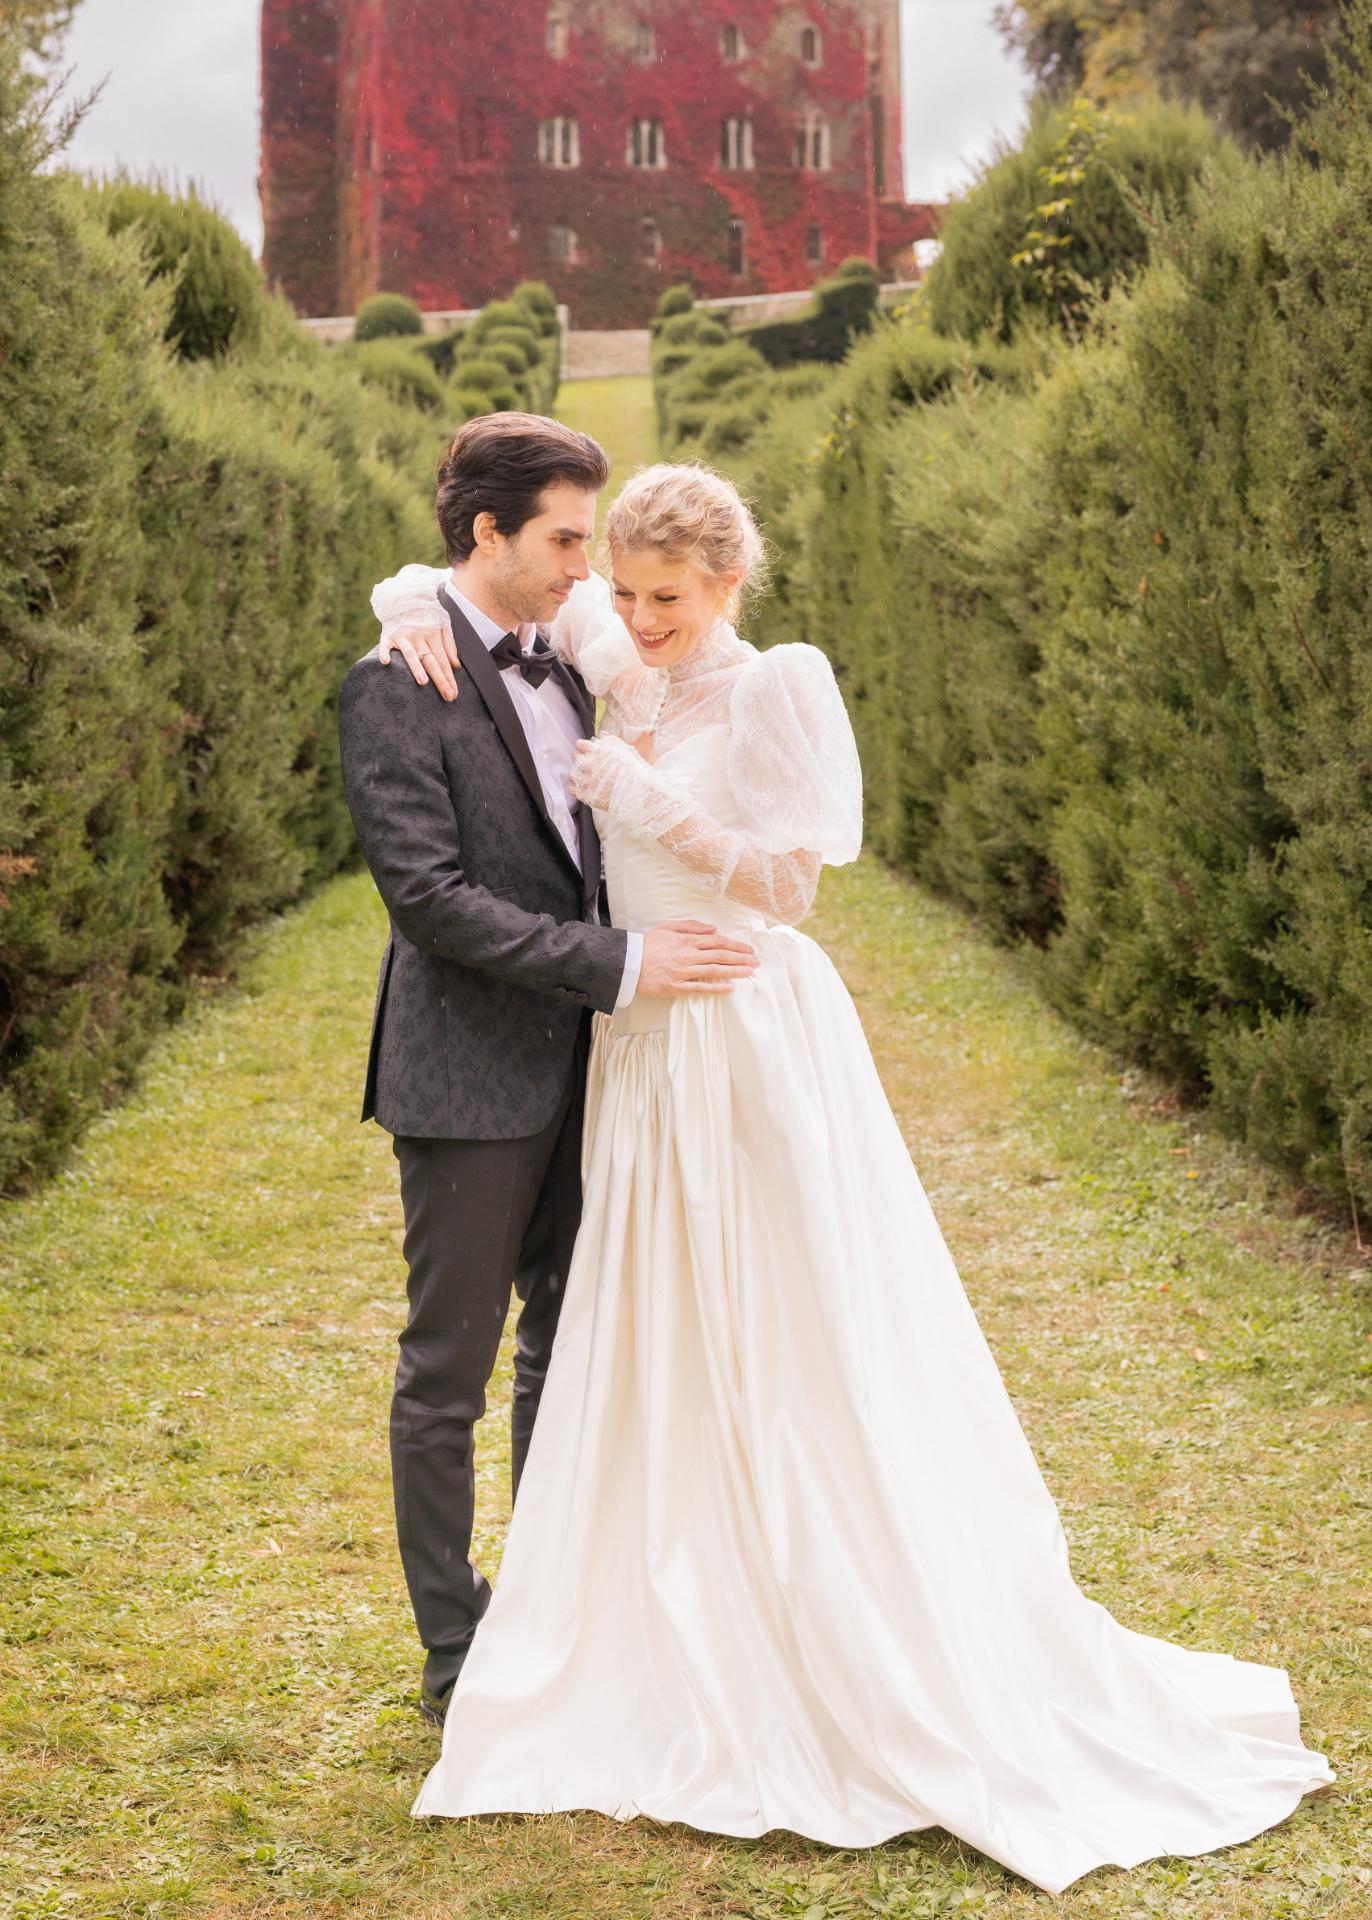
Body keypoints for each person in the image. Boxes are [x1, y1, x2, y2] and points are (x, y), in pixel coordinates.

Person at [368, 460, 1332, 1893]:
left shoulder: (774, 684)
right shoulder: (607, 643)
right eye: (624, 595)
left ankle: (823, 1614)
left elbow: (795, 882)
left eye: (671, 602)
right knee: (642, 1343)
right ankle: (640, 1609)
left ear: (730, 585)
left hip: (745, 1038)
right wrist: (402, 604)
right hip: (639, 1055)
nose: (642, 623)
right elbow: (463, 580)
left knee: (783, 1336)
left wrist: (648, 799)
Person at [337, 416, 759, 1728]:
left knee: (569, 1352)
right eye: (567, 538)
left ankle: (553, 1611)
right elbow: (430, 900)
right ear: (486, 535)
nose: (591, 565)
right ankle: (457, 1654)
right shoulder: (395, 681)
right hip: (467, 1082)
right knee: (447, 1368)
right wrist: (623, 964)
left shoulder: (575, 648)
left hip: (598, 1077)